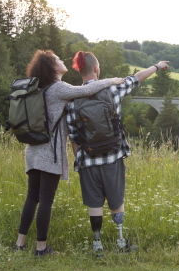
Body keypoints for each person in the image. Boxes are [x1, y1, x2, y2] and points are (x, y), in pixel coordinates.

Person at [13, 50, 124, 256]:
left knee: (32, 198)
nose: (62, 61)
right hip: (49, 153)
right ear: (53, 67)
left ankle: (20, 243)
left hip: (33, 150)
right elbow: (86, 91)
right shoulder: (58, 88)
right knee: (46, 199)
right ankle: (41, 248)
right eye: (58, 60)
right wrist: (110, 81)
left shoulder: (40, 87)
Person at [66, 51, 168, 255]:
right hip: (113, 156)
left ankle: (97, 245)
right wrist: (157, 66)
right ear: (96, 69)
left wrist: (80, 161)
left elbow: (73, 136)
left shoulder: (72, 99)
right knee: (116, 199)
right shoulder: (112, 89)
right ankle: (121, 243)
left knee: (94, 202)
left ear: (80, 72)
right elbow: (137, 77)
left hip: (88, 158)